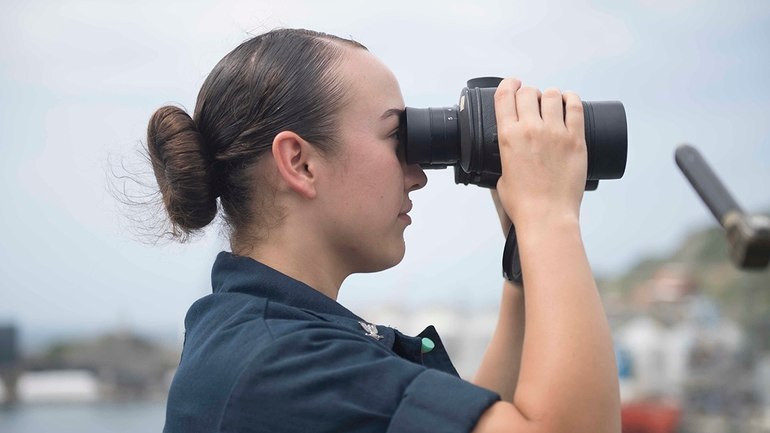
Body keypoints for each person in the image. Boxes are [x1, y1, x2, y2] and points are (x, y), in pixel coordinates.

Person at [146, 28, 620, 433]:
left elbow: (488, 415)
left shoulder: (263, 339)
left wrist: (522, 253)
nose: (418, 173)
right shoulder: (281, 365)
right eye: (396, 136)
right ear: (300, 162)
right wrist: (550, 215)